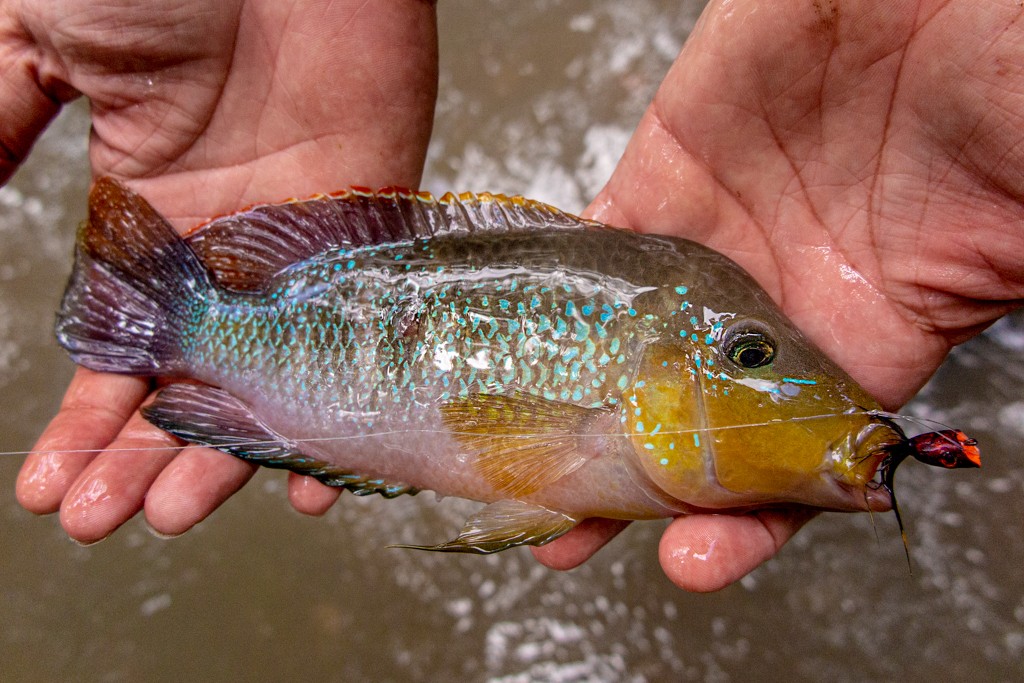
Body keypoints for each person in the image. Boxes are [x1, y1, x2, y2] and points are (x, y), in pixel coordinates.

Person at [7, 0, 1023, 592]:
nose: (765, 363)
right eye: (750, 353)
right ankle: (183, 325)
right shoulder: (627, 399)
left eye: (757, 352)